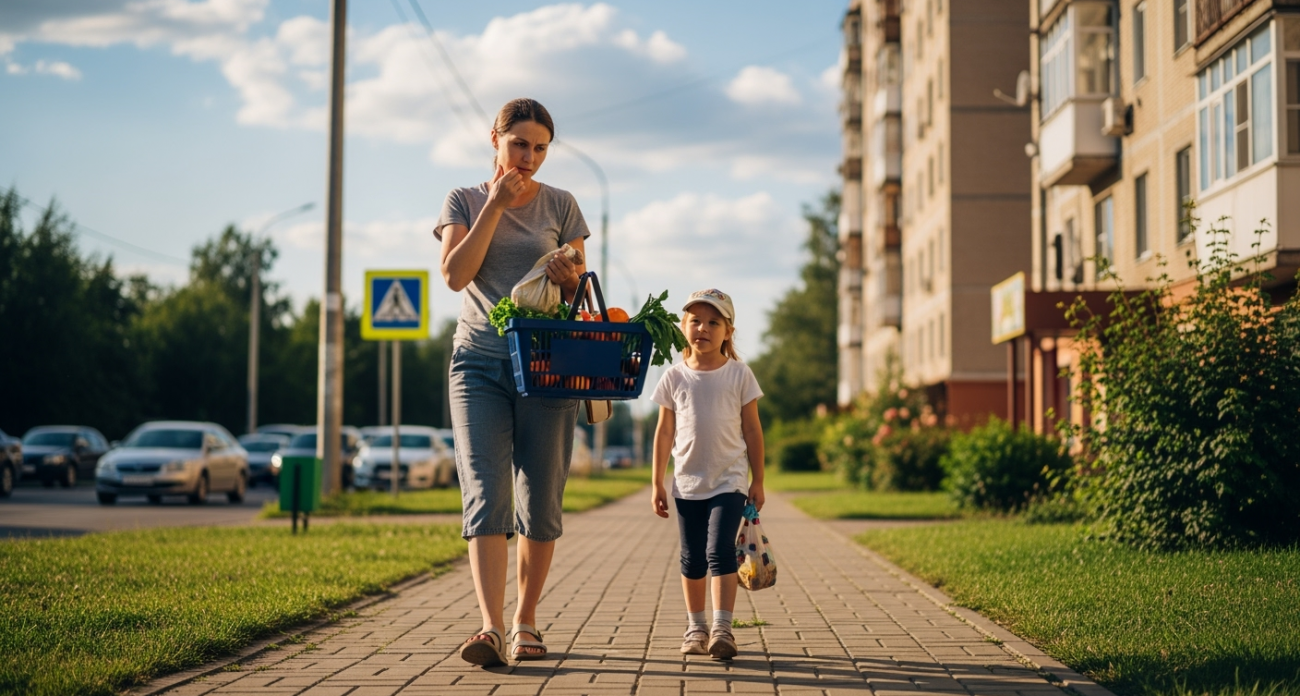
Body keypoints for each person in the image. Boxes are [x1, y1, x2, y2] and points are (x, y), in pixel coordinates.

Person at [434, 98, 590, 666]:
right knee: (485, 493)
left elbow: (579, 297)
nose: (529, 157)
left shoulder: (563, 204)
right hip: (478, 363)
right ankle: (490, 628)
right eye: (519, 143)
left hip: (549, 364)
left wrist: (568, 276)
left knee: (541, 496)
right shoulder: (464, 199)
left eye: (541, 148)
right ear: (494, 138)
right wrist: (495, 206)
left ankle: (526, 622)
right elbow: (455, 276)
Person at [650, 288, 765, 660]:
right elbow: (664, 432)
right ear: (684, 326)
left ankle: (723, 629)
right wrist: (656, 482)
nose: (704, 327)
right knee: (692, 558)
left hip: (729, 482)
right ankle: (696, 626)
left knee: (719, 552)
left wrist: (758, 480)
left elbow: (752, 431)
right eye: (696, 320)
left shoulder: (739, 375)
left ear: (728, 331)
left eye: (714, 322)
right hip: (686, 483)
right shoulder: (674, 377)